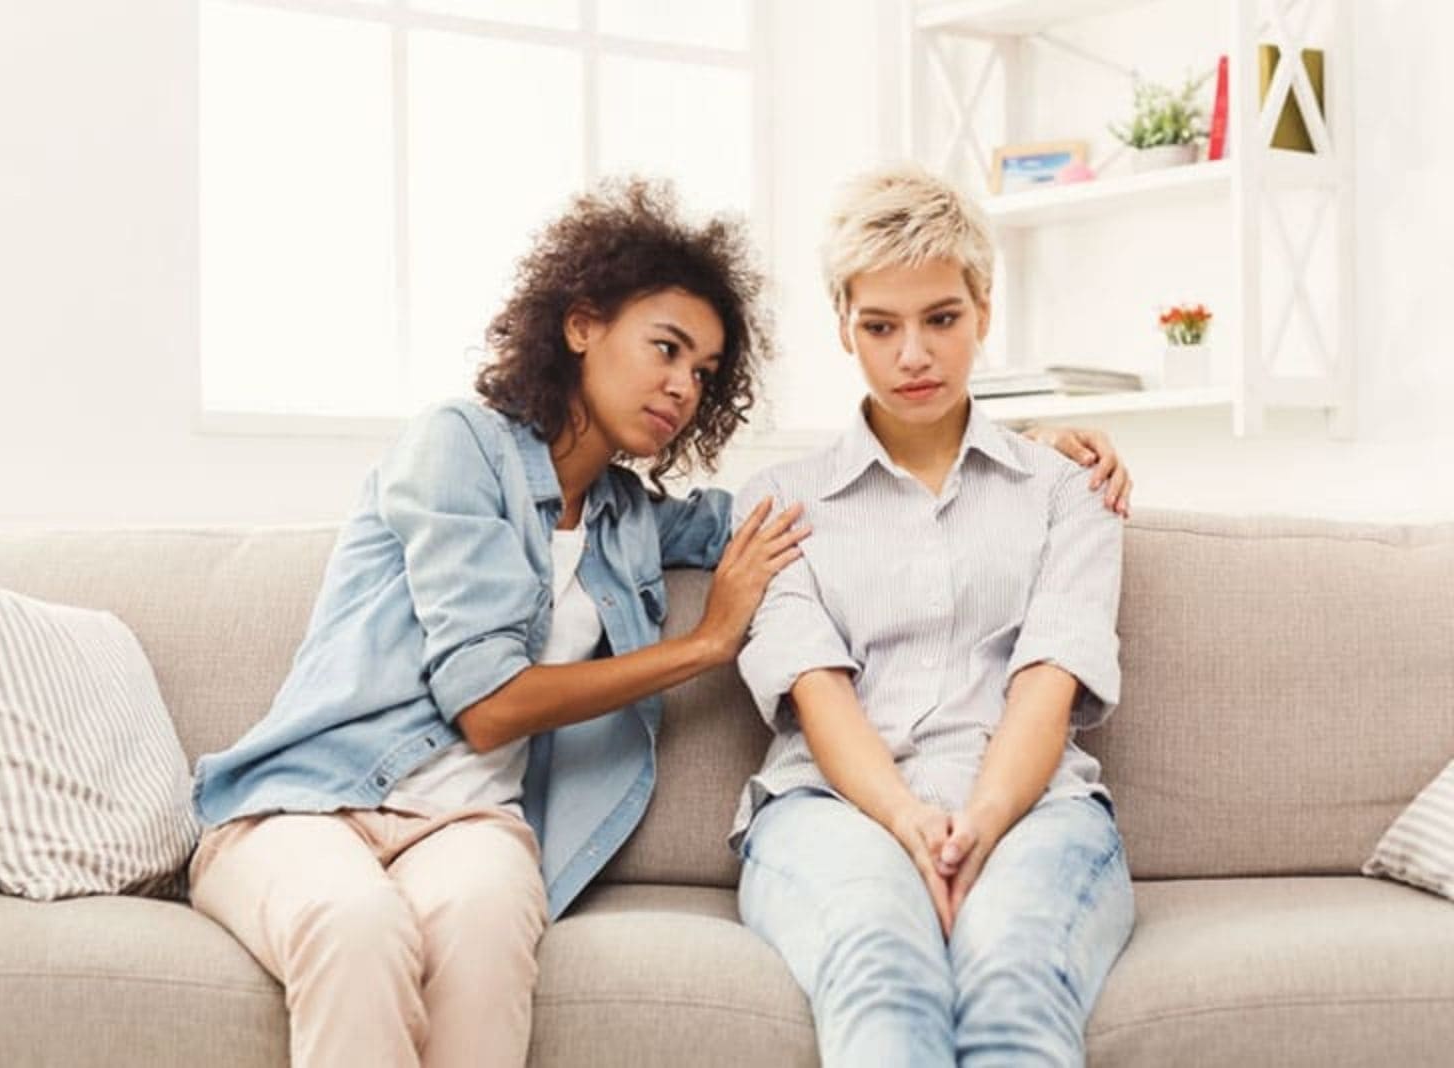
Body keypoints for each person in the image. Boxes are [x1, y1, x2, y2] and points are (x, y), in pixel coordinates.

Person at [189, 176, 1130, 1068]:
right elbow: (485, 703)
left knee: (481, 932)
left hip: (465, 824)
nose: (683, 387)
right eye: (666, 348)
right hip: (317, 800)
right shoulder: (457, 445)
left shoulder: (628, 518)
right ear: (582, 324)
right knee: (361, 927)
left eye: (705, 369)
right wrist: (706, 645)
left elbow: (819, 507)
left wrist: (1026, 450)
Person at [729, 163, 1135, 1067]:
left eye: (941, 319)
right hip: (833, 808)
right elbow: (817, 691)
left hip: (1036, 808)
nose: (913, 354)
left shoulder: (1067, 491)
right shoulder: (778, 501)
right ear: (845, 328)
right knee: (884, 966)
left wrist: (982, 820)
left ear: (983, 311)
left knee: (1013, 975)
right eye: (881, 326)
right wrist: (911, 822)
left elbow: (1047, 683)